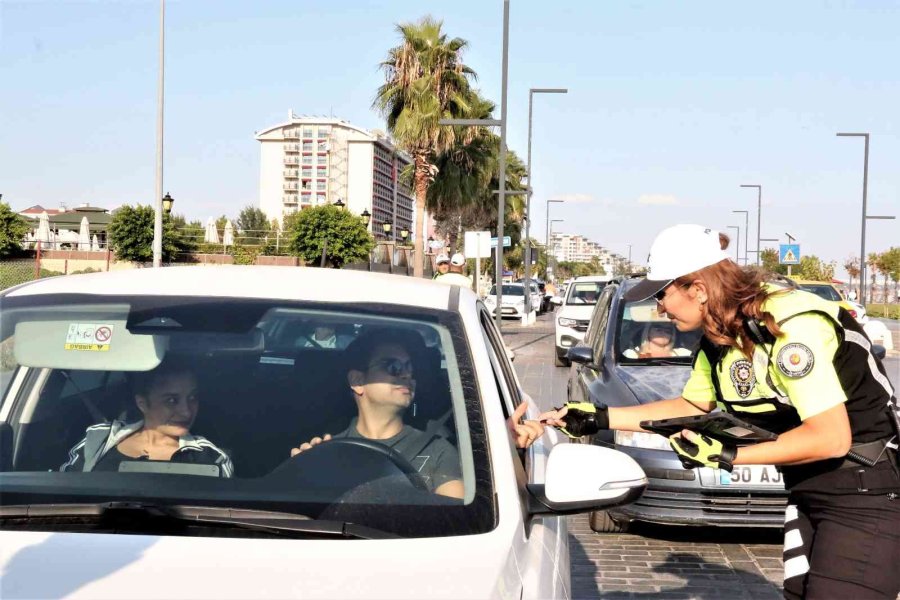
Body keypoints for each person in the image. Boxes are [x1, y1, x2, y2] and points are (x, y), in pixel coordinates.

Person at [551, 224, 899, 599]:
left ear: (698, 289)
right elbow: (690, 405)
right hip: (809, 488)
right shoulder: (718, 339)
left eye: (662, 294)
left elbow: (830, 438)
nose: (659, 308)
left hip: (866, 493)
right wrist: (596, 416)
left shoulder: (788, 325)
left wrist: (729, 455)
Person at [291, 328, 563, 497]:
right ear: (357, 381)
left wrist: (508, 451)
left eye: (410, 368)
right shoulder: (328, 450)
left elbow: (456, 516)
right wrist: (302, 473)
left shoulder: (437, 451)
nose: (407, 375)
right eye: (393, 367)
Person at [61, 360, 234, 477]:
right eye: (171, 400)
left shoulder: (212, 459)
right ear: (142, 403)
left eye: (192, 398)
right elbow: (63, 498)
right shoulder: (98, 439)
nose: (186, 411)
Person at [622, 321, 692, 359]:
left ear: (672, 335)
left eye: (668, 330)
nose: (663, 332)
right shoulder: (630, 354)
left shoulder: (684, 353)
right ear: (648, 332)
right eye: (658, 328)